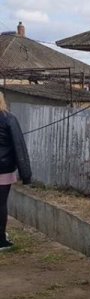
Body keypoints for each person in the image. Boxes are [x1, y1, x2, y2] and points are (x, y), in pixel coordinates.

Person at [0, 92, 32, 251]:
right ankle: (0, 241)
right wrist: (26, 175)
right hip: (3, 170)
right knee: (1, 204)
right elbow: (19, 146)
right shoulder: (9, 119)